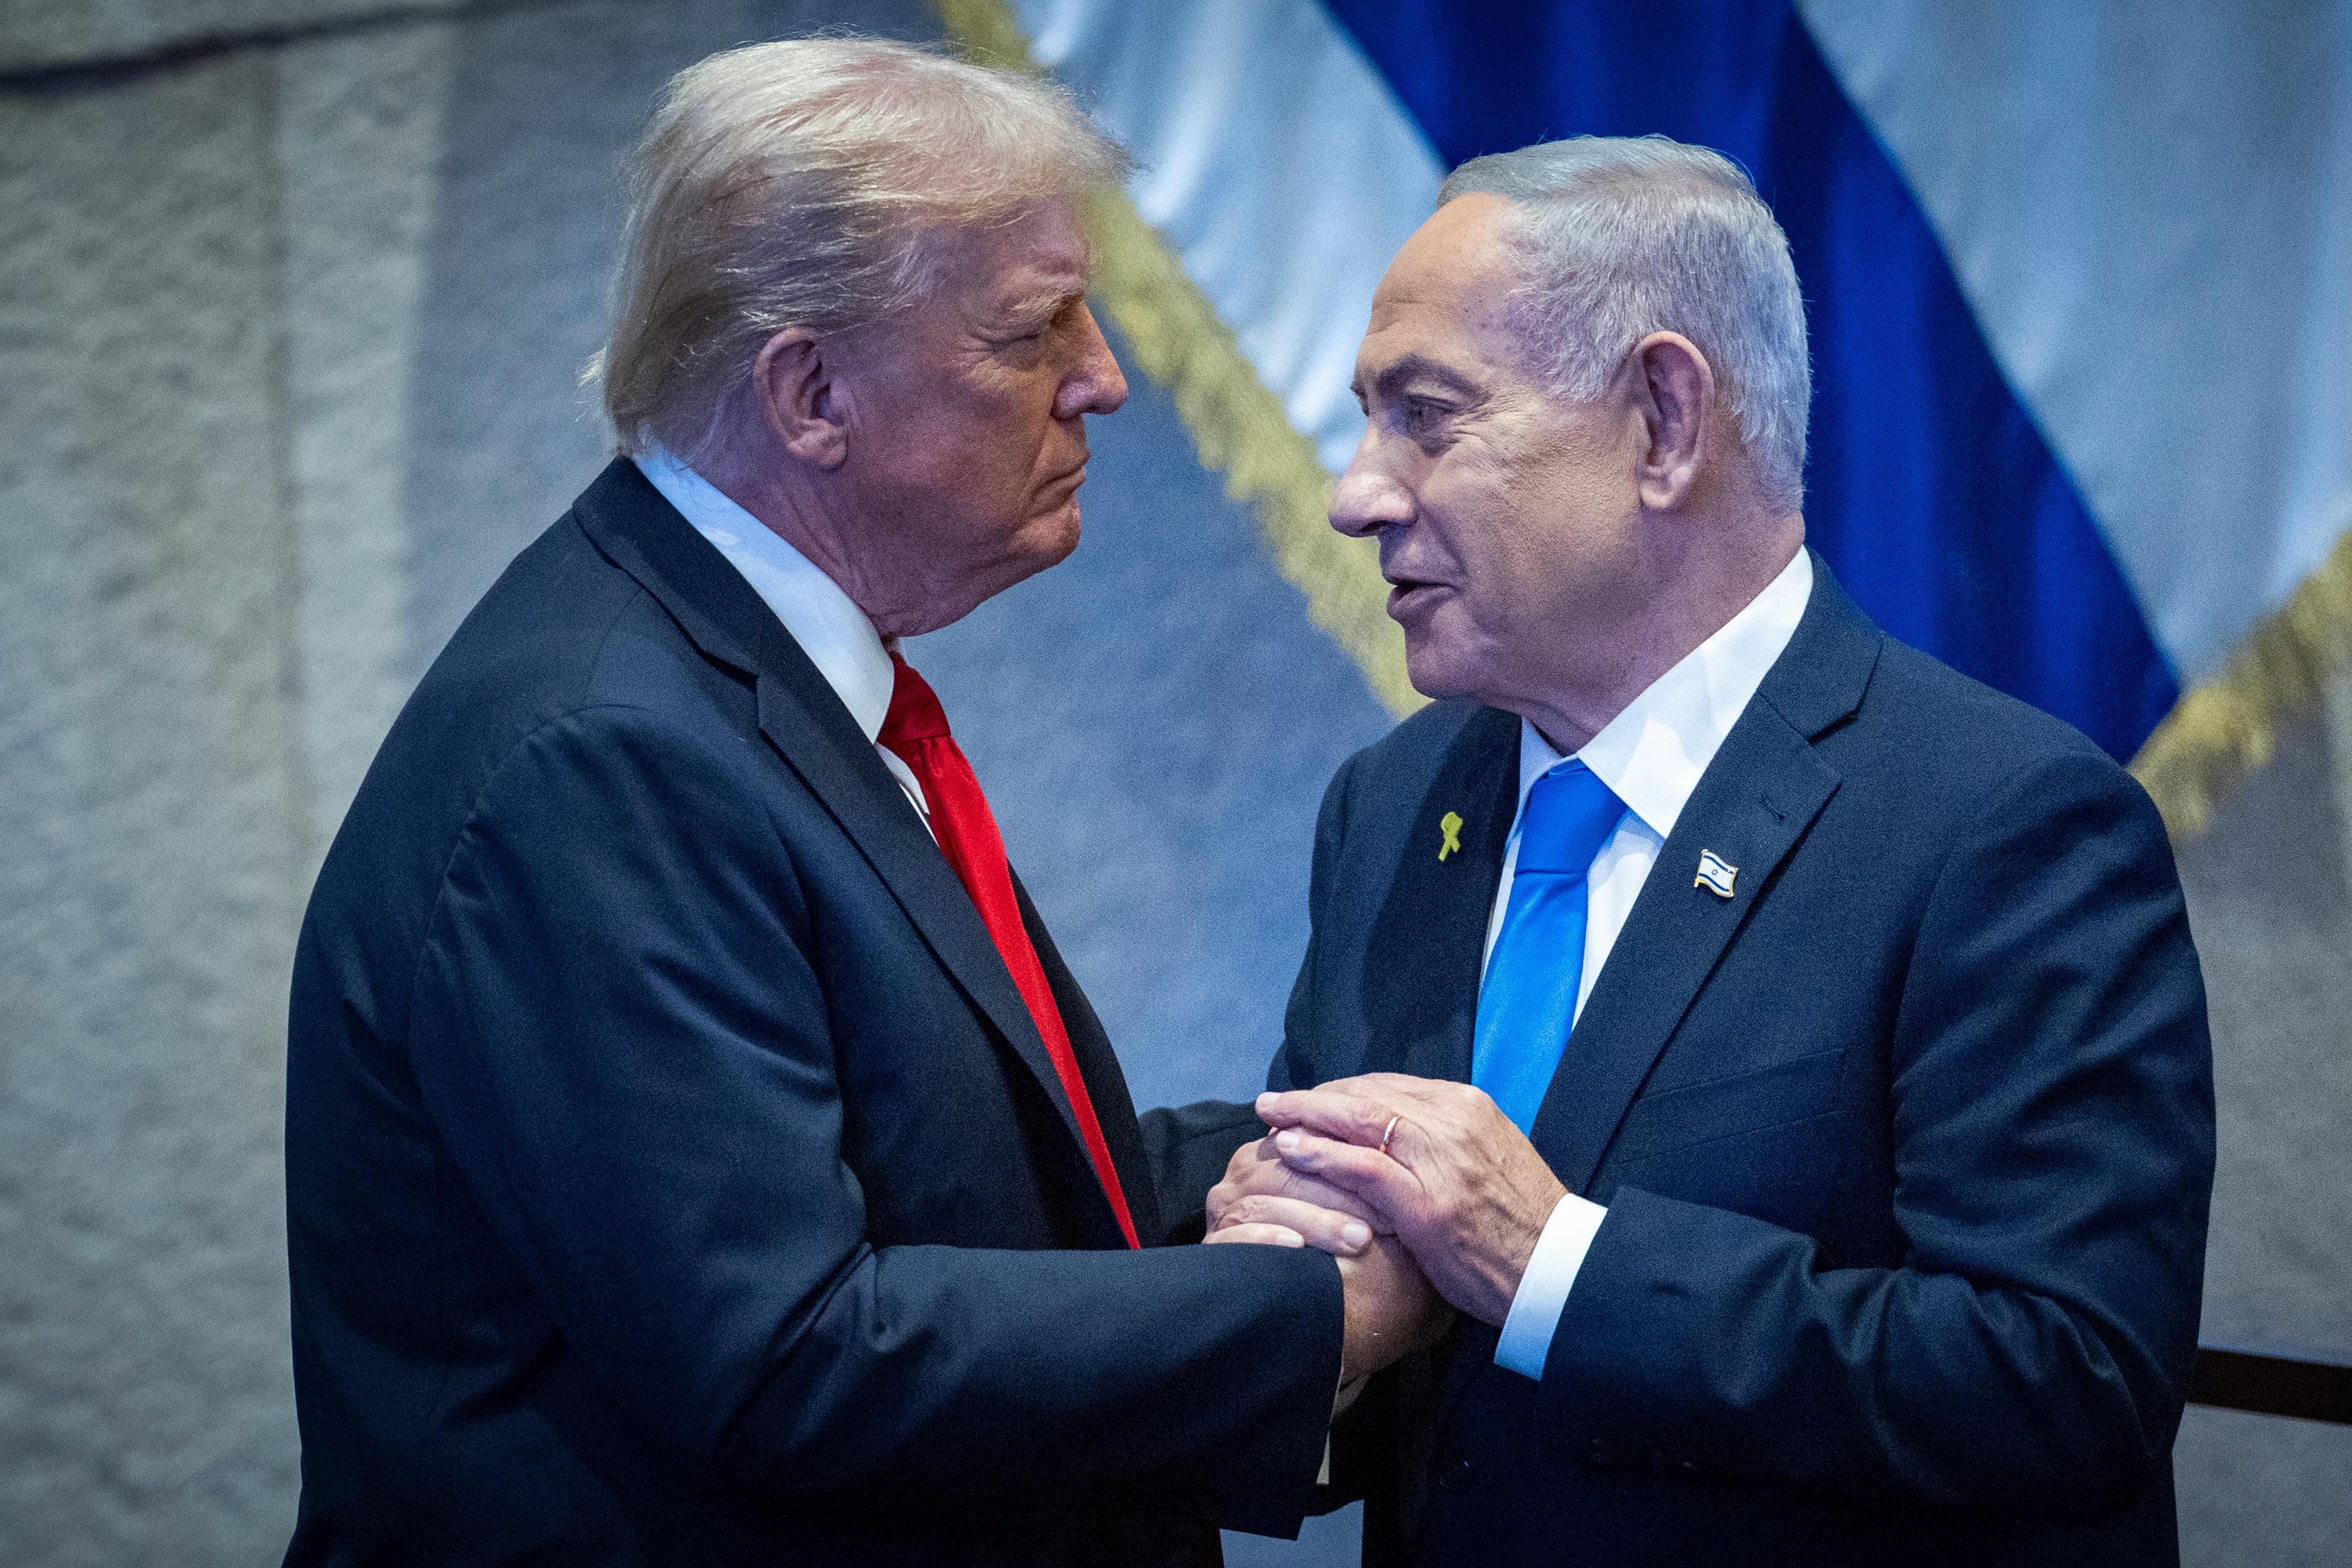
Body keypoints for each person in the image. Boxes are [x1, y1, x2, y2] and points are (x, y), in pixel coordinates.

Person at [281, 39, 1437, 1567]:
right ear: (810, 390)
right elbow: (785, 1358)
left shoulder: (749, 685)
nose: (1104, 375)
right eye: (1034, 328)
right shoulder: (600, 756)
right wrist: (1315, 1311)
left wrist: (1284, 1167)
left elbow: (959, 1203)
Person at [1205, 137, 2215, 1566]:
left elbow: (2063, 1381)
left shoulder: (2002, 823)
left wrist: (1549, 1259)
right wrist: (1314, 1333)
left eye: (1425, 418)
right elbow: (1403, 1366)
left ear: (1663, 422)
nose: (1355, 494)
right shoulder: (1391, 803)